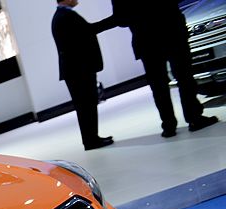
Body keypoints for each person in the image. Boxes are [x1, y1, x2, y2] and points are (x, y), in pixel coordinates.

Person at [110, 0, 217, 137]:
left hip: (146, 41)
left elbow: (121, 19)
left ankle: (168, 125)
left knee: (158, 85)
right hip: (172, 33)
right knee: (184, 77)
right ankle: (194, 118)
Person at [51, 0, 118, 150]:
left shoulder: (63, 16)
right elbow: (88, 31)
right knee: (86, 105)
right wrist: (114, 20)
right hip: (79, 70)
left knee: (87, 105)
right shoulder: (64, 16)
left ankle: (92, 138)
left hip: (77, 70)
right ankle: (91, 140)